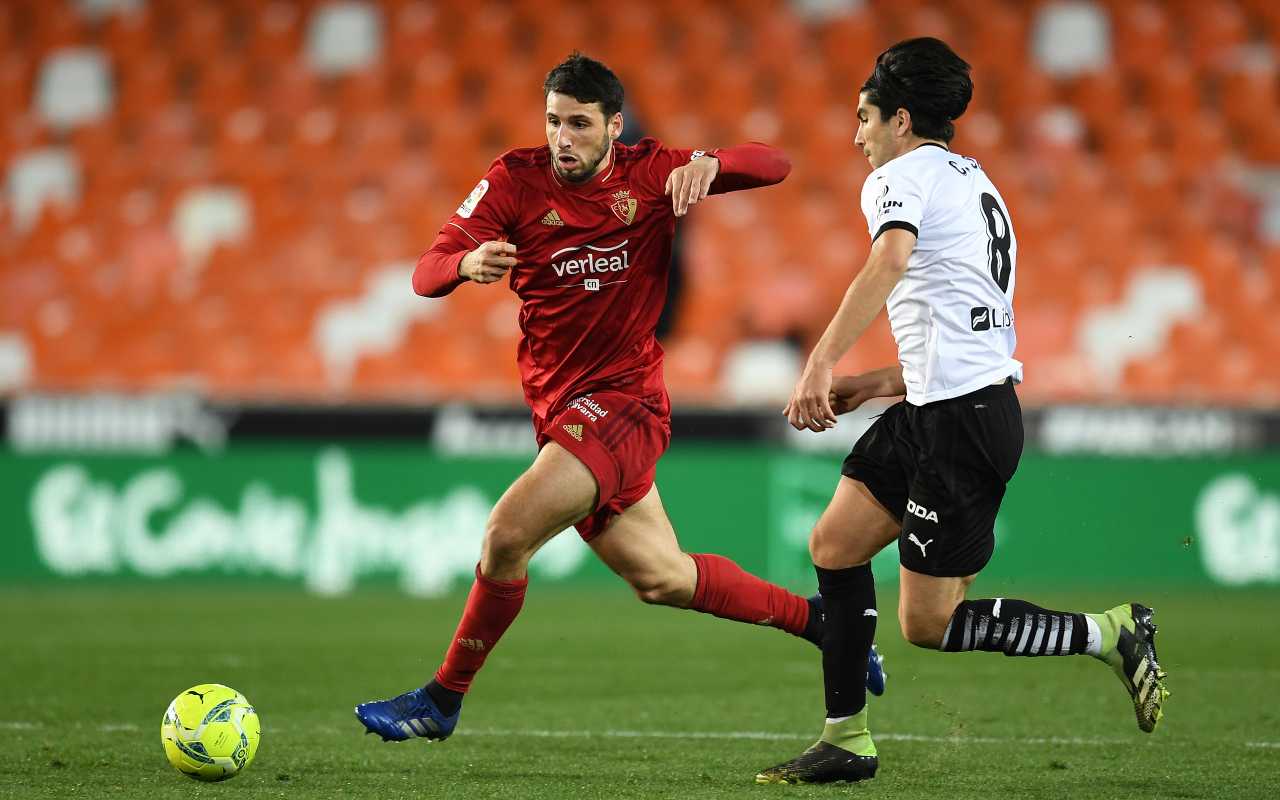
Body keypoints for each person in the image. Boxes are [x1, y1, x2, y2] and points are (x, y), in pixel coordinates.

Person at [354, 53, 884, 743]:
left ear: (612, 126)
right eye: (553, 122)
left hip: (624, 405)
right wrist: (465, 264)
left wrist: (714, 165)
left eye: (578, 123)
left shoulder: (651, 173)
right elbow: (426, 274)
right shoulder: (512, 181)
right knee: (664, 578)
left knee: (505, 535)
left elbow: (775, 163)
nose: (562, 138)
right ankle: (823, 623)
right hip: (560, 412)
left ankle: (441, 701)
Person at [755, 38, 1169, 785]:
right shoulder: (973, 182)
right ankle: (846, 738)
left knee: (928, 624)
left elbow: (890, 260)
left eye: (864, 118)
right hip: (939, 406)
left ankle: (1108, 633)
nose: (858, 137)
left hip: (962, 422)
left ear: (901, 120)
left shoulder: (901, 176)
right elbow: (965, 324)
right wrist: (875, 381)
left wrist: (817, 364)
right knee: (835, 544)